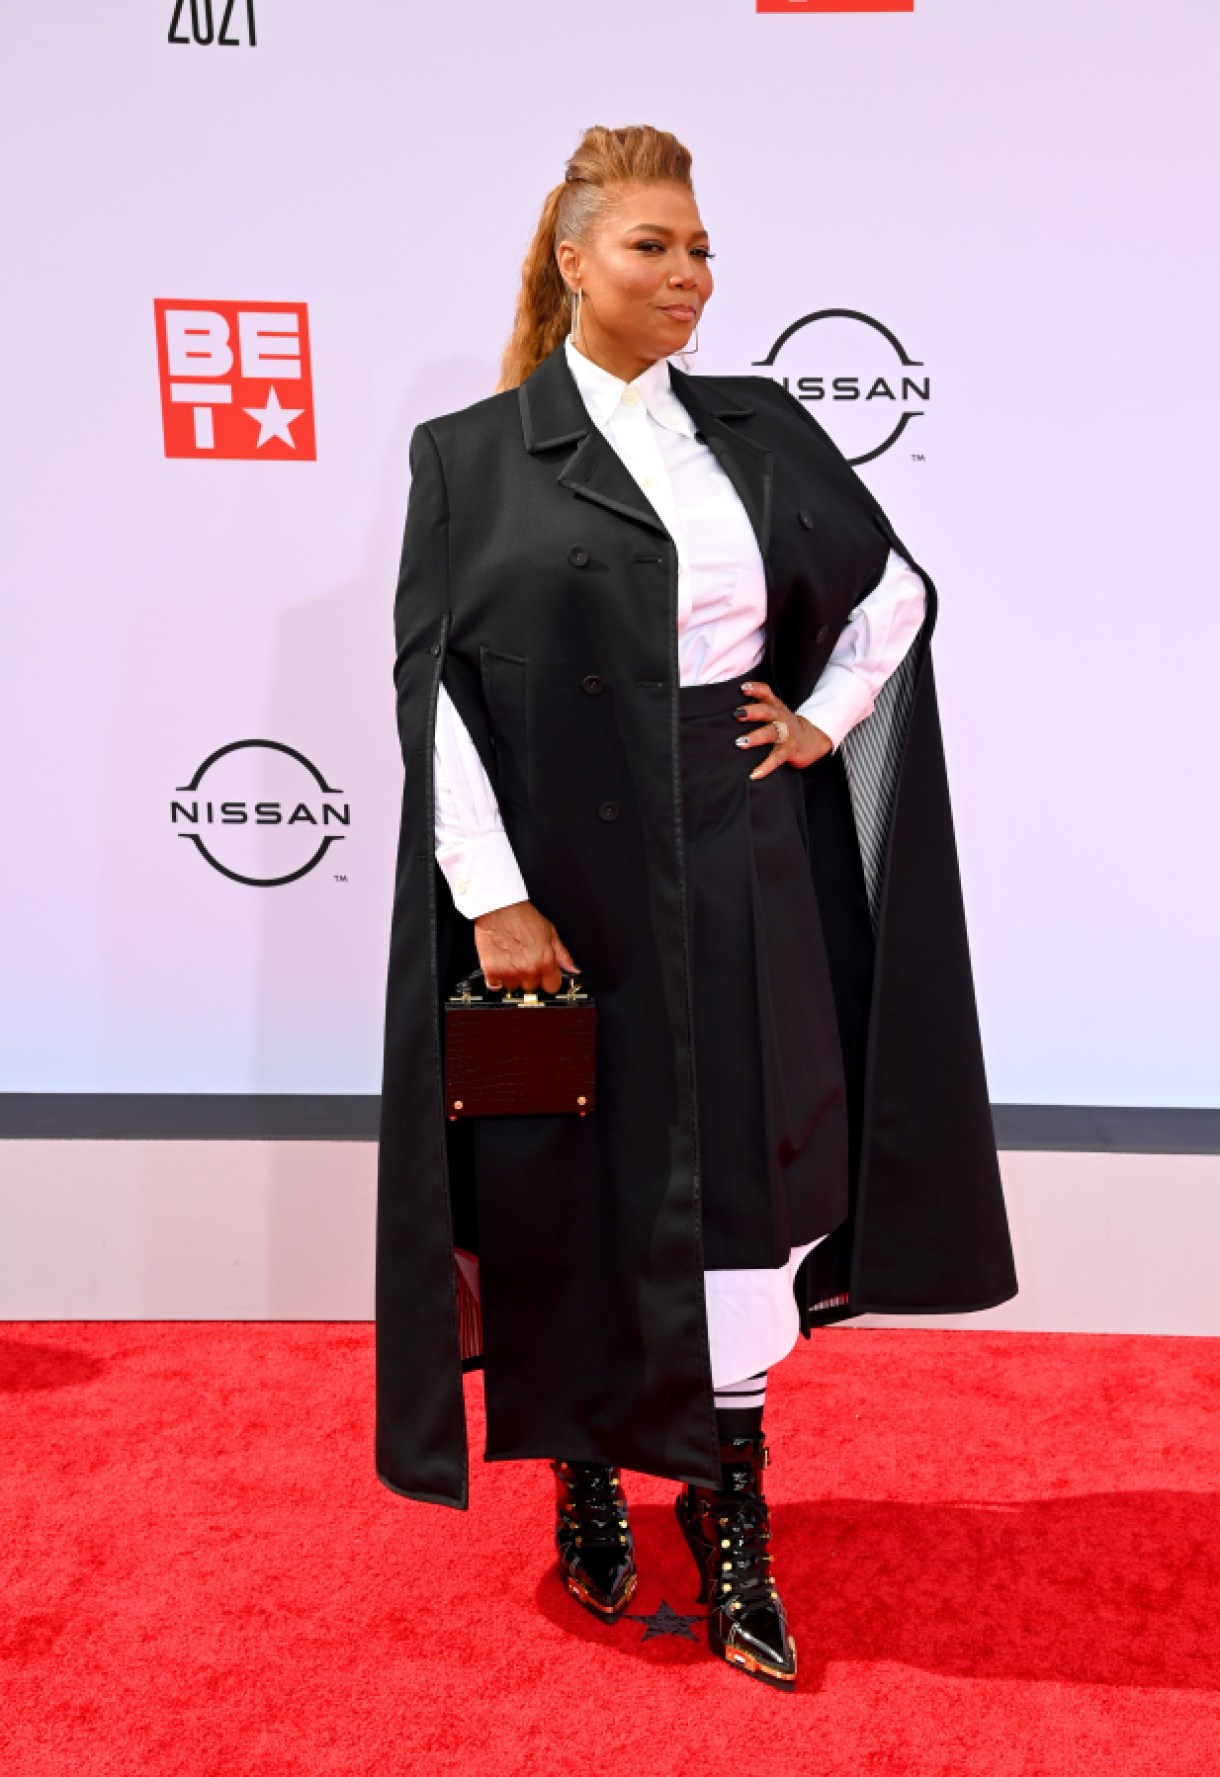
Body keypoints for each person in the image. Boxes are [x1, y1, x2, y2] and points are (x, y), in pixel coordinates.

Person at [375, 124, 1016, 1691]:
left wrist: (819, 711)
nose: (688, 275)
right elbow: (434, 688)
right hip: (558, 878)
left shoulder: (756, 423)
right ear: (576, 257)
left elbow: (896, 588)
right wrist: (496, 895)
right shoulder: (472, 452)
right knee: (562, 1174)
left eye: (703, 248)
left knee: (731, 1176)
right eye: (655, 246)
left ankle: (734, 1510)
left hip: (736, 852)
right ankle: (586, 1477)